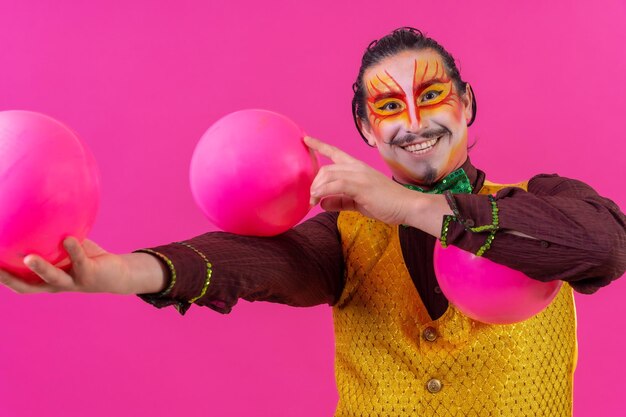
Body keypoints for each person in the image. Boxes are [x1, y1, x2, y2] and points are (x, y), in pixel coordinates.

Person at [1, 27, 625, 416]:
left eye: (431, 95)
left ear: (465, 104)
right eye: (387, 106)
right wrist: (114, 272)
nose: (414, 121)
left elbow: (605, 246)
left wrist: (408, 205)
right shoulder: (344, 239)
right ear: (365, 128)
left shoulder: (545, 201)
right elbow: (253, 262)